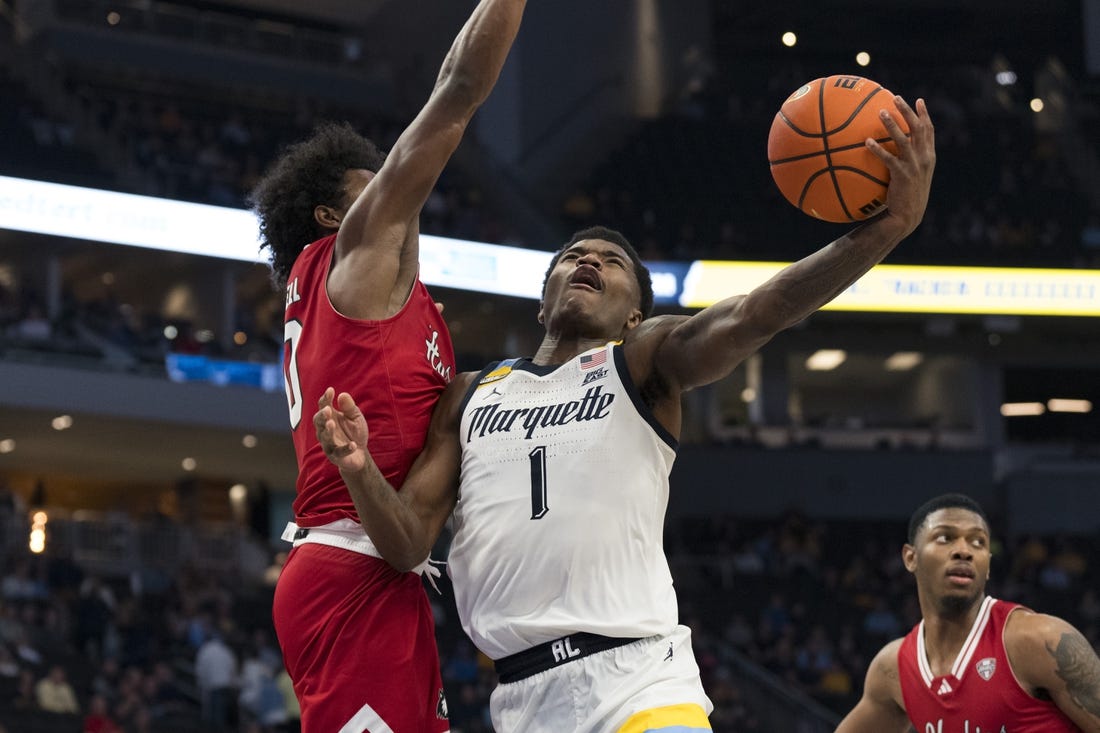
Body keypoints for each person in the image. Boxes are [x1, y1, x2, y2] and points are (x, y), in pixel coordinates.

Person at [315, 96, 936, 732]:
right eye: (573, 256)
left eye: (611, 264)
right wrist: (359, 468)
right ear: (543, 301)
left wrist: (885, 229)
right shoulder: (471, 394)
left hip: (639, 682)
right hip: (521, 698)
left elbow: (760, 311)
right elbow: (407, 543)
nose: (588, 261)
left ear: (634, 316)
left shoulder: (641, 362)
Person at [247, 0, 526, 730]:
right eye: (369, 187)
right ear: (335, 218)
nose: (395, 193)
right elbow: (459, 89)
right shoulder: (355, 261)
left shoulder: (390, 304)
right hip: (345, 567)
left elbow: (409, 543)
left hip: (374, 565)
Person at [835, 493, 1100, 732]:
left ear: (987, 566)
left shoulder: (1042, 640)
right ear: (910, 558)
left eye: (978, 542)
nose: (964, 551)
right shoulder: (892, 670)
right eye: (944, 537)